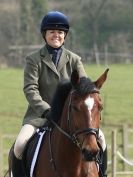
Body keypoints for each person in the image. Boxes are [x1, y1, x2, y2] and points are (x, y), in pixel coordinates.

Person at [11, 11, 107, 177]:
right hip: (40, 116)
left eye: (60, 32)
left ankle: (103, 173)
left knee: (102, 141)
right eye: (52, 32)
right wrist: (46, 110)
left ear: (65, 35)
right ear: (45, 34)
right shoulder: (34, 59)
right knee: (20, 145)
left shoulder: (74, 59)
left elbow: (84, 88)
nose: (56, 35)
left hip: (72, 116)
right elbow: (30, 89)